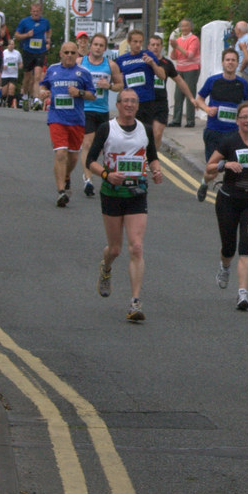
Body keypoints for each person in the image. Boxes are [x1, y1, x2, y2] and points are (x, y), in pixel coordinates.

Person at [86, 89, 163, 322]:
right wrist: (107, 174)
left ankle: (135, 301)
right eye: (125, 101)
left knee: (136, 247)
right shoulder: (106, 129)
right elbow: (90, 161)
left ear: (137, 106)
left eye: (133, 101)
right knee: (115, 249)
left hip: (137, 191)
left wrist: (157, 170)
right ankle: (106, 267)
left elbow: (152, 157)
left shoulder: (145, 130)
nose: (129, 105)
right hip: (112, 192)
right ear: (118, 105)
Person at [205, 100, 248, 310]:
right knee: (229, 247)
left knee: (246, 246)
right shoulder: (228, 142)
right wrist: (225, 164)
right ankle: (225, 266)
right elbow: (209, 167)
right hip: (228, 199)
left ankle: (243, 293)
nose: (247, 121)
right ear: (237, 121)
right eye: (244, 117)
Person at [38, 41, 96, 207]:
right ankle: (61, 191)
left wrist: (79, 93)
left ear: (77, 54)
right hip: (57, 119)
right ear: (61, 54)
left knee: (73, 157)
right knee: (61, 153)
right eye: (66, 52)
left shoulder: (83, 73)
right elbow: (43, 85)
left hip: (76, 120)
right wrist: (43, 92)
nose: (69, 55)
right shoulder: (52, 70)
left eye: (72, 52)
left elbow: (93, 95)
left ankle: (67, 176)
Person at [193, 49, 248, 202]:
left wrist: (244, 117)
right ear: (222, 62)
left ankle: (229, 196)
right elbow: (198, 99)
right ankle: (204, 184)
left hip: (234, 134)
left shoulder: (242, 84)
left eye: (233, 60)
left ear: (237, 63)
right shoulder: (213, 81)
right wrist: (207, 109)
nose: (230, 63)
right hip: (214, 131)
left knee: (236, 169)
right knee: (212, 170)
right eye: (227, 60)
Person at [79, 33, 124, 198]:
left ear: (105, 49)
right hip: (85, 108)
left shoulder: (110, 65)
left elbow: (120, 85)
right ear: (90, 46)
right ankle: (88, 180)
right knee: (87, 143)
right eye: (95, 44)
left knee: (105, 147)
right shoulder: (81, 63)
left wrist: (109, 85)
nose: (97, 48)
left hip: (102, 110)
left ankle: (108, 178)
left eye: (101, 45)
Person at [147, 34, 195, 149]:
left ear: (161, 47)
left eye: (158, 45)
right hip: (145, 103)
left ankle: (153, 160)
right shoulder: (142, 62)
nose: (155, 47)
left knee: (157, 134)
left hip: (160, 103)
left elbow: (179, 81)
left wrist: (191, 98)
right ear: (148, 46)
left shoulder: (166, 63)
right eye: (152, 45)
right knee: (145, 135)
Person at [114, 29, 166, 132]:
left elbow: (162, 76)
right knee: (128, 130)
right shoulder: (121, 60)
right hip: (128, 102)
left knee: (146, 132)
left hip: (146, 101)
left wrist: (152, 64)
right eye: (135, 42)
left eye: (140, 42)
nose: (138, 45)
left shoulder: (148, 55)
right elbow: (117, 81)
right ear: (129, 42)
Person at [14, 1, 51, 110]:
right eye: (34, 11)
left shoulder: (45, 22)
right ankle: (25, 96)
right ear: (31, 11)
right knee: (27, 77)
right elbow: (16, 35)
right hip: (28, 51)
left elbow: (49, 31)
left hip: (40, 51)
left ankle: (36, 99)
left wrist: (48, 40)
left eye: (38, 11)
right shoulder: (24, 22)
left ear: (40, 12)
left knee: (38, 76)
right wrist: (27, 35)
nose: (35, 13)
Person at [167, 18, 201, 128]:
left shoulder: (194, 39)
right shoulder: (179, 40)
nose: (184, 28)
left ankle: (190, 120)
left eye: (186, 26)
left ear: (190, 27)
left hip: (192, 68)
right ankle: (176, 119)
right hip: (180, 68)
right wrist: (174, 48)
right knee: (178, 95)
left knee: (190, 93)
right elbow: (173, 56)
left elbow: (190, 55)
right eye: (182, 26)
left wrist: (177, 46)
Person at [0, 38, 23, 107]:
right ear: (7, 45)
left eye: (12, 44)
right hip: (5, 74)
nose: (11, 46)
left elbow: (20, 63)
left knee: (11, 89)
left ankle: (9, 104)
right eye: (10, 44)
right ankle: (3, 100)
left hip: (14, 74)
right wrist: (3, 66)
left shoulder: (17, 53)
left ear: (14, 45)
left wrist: (19, 67)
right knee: (4, 91)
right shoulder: (4, 52)